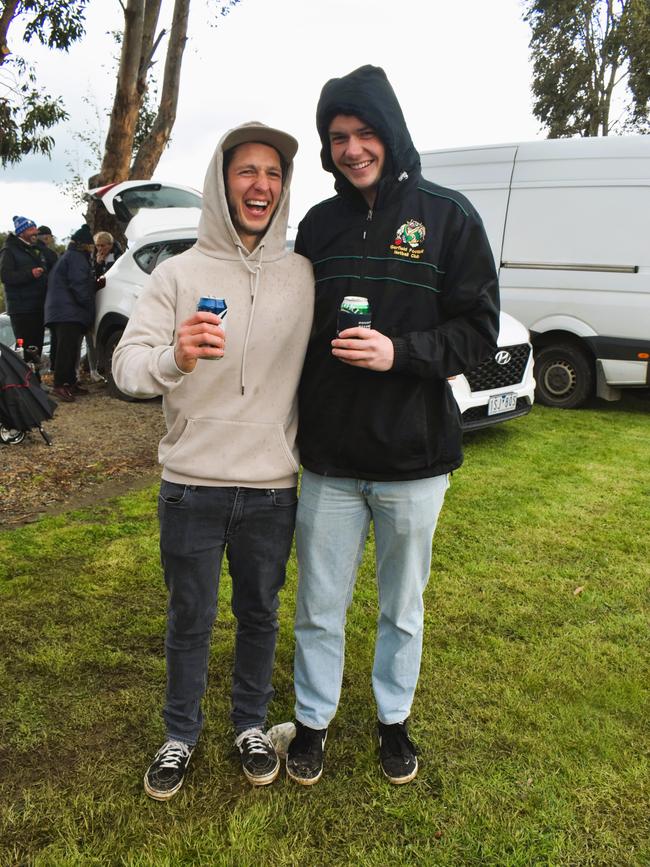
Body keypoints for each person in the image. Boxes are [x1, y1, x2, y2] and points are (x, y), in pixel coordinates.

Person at [286, 65, 500, 786]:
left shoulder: (449, 216)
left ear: (391, 130)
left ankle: (392, 721)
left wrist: (400, 352)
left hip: (415, 457)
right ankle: (312, 722)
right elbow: (290, 329)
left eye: (364, 132)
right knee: (319, 603)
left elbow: (480, 332)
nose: (351, 149)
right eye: (338, 137)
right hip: (329, 458)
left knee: (400, 606)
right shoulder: (318, 225)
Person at [112, 122, 314, 799]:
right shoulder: (178, 273)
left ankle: (250, 722)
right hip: (191, 485)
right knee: (190, 616)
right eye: (247, 171)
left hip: (271, 489)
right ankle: (180, 733)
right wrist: (177, 356)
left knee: (260, 614)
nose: (261, 185)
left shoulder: (304, 275)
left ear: (285, 187)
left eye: (274, 173)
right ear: (221, 182)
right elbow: (126, 367)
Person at [44, 224, 96, 402]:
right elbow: (79, 285)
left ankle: (70, 382)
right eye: (91, 245)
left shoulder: (69, 256)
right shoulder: (76, 258)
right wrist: (88, 303)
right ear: (84, 245)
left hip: (61, 311)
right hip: (68, 312)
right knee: (66, 350)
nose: (92, 248)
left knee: (70, 349)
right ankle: (60, 385)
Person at [0, 216, 51, 370]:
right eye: (30, 230)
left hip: (36, 306)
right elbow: (5, 276)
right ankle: (28, 385)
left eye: (34, 228)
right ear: (21, 232)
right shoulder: (9, 250)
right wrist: (30, 274)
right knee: (27, 349)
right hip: (22, 310)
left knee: (37, 347)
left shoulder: (32, 249)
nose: (35, 232)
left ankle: (36, 382)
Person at [36, 225, 59, 371]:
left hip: (34, 300)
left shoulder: (30, 251)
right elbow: (56, 277)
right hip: (49, 298)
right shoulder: (49, 254)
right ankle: (55, 366)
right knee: (55, 334)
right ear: (46, 237)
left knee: (36, 338)